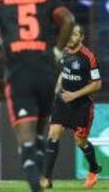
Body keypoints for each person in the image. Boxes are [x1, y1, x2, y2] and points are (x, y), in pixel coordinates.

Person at [0, 0, 75, 191]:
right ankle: (39, 163)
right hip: (45, 70)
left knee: (26, 140)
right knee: (41, 131)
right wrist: (57, 52)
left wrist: (6, 53)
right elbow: (69, 20)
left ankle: (34, 180)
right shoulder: (48, 0)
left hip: (19, 73)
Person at [42, 24, 102, 190]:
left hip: (82, 105)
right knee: (53, 134)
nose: (70, 37)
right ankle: (46, 178)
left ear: (82, 38)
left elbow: (97, 84)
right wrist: (56, 91)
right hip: (62, 101)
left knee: (80, 142)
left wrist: (75, 95)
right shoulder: (64, 51)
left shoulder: (88, 57)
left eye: (75, 34)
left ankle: (94, 168)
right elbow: (63, 71)